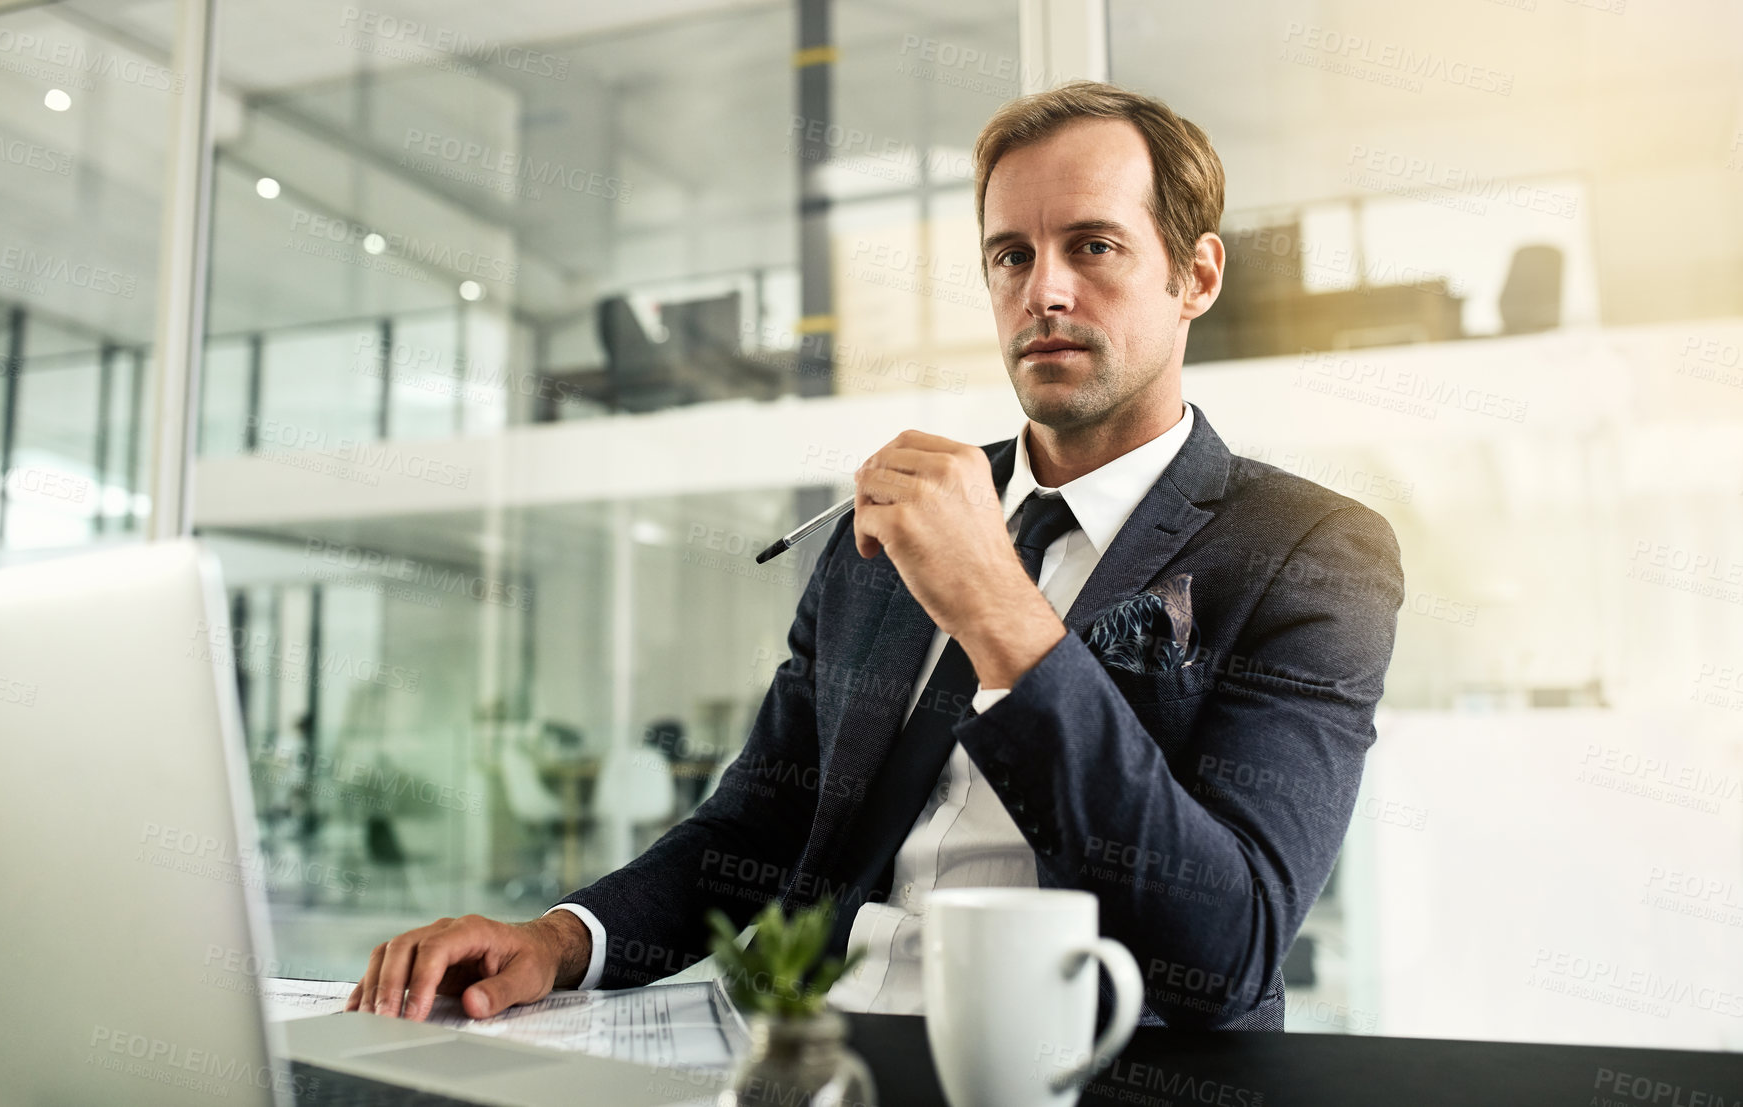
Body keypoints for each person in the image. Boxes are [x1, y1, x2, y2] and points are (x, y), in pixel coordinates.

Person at [347, 80, 1403, 1030]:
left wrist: (998, 612)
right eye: (1010, 254)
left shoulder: (1310, 551)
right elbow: (759, 820)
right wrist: (561, 942)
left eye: (1093, 246)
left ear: (1195, 274)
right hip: (803, 1052)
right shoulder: (896, 521)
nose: (1043, 291)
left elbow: (1227, 956)